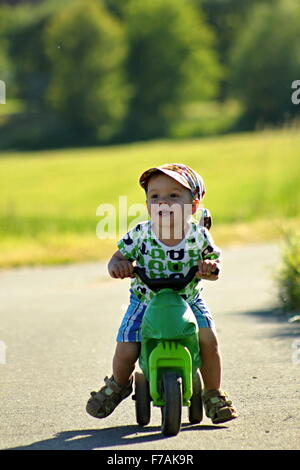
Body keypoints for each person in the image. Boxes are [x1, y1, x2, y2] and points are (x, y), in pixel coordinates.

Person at [86, 163, 238, 424]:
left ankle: (213, 393)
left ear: (193, 205)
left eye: (174, 196)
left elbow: (214, 264)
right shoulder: (141, 234)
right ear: (147, 205)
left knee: (208, 341)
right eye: (155, 196)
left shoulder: (199, 236)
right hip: (145, 300)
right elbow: (118, 257)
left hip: (188, 299)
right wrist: (118, 267)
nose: (163, 202)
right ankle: (119, 385)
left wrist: (209, 268)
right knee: (127, 348)